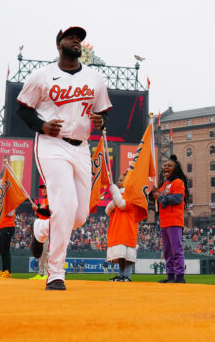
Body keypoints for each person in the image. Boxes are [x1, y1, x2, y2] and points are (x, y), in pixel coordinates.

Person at [17, 26, 112, 291]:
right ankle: (56, 273)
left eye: (79, 39)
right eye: (71, 37)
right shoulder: (42, 76)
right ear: (59, 43)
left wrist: (101, 120)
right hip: (52, 145)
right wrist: (41, 126)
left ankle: (40, 228)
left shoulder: (95, 78)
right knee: (64, 204)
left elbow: (104, 114)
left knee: (79, 216)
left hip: (81, 147)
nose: (76, 42)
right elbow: (22, 110)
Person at [151, 155, 188, 283]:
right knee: (167, 251)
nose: (166, 167)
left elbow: (177, 199)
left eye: (170, 165)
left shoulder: (178, 182)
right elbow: (156, 199)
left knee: (176, 249)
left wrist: (159, 196)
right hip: (164, 222)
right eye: (165, 165)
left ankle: (180, 277)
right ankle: (170, 276)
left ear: (176, 168)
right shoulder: (164, 184)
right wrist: (153, 194)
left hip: (174, 221)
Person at [106, 174, 138, 281]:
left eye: (121, 180)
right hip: (118, 228)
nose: (118, 182)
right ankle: (121, 275)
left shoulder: (132, 196)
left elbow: (122, 204)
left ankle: (127, 276)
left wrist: (114, 190)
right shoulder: (119, 196)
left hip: (128, 229)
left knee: (128, 255)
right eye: (118, 180)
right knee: (120, 255)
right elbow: (108, 210)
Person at [29, 184, 51, 280]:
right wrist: (38, 212)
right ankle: (41, 273)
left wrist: (38, 209)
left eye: (44, 188)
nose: (43, 190)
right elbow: (43, 213)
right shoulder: (44, 200)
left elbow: (49, 213)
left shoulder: (50, 199)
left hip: (47, 227)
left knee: (45, 251)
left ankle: (46, 273)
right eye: (42, 188)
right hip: (42, 226)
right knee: (42, 252)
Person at [0, 200, 15, 278]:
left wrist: (0, 207)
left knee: (5, 250)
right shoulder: (1, 206)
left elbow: (10, 213)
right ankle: (4, 270)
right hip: (0, 228)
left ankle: (8, 271)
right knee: (2, 251)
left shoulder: (11, 204)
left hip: (8, 227)